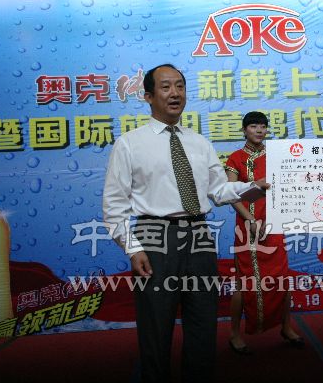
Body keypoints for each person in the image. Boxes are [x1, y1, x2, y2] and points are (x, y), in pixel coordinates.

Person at [102, 63, 268, 382]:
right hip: (154, 237)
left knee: (204, 322)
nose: (175, 93)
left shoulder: (199, 142)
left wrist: (253, 187)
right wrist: (132, 248)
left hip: (199, 235)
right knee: (156, 326)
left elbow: (219, 191)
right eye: (165, 87)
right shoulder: (129, 143)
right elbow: (114, 205)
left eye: (180, 86)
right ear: (148, 96)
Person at [225, 111, 304, 355]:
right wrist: (250, 220)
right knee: (244, 282)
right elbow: (231, 194)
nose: (259, 130)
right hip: (247, 227)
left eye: (263, 126)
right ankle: (235, 334)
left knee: (282, 278)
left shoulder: (276, 157)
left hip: (274, 225)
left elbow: (288, 188)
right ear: (244, 130)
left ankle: (286, 327)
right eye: (253, 126)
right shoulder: (235, 158)